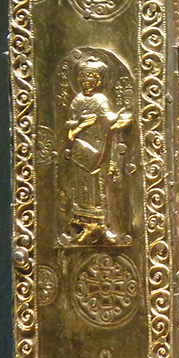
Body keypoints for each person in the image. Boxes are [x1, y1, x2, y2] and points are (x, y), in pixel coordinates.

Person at [64, 57, 131, 244]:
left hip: (98, 150)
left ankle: (101, 226)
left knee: (98, 186)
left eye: (91, 77)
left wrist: (120, 119)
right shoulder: (77, 100)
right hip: (81, 151)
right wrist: (79, 123)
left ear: (99, 81)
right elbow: (68, 123)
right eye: (83, 76)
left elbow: (108, 118)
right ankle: (84, 225)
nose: (87, 81)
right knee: (81, 188)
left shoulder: (101, 100)